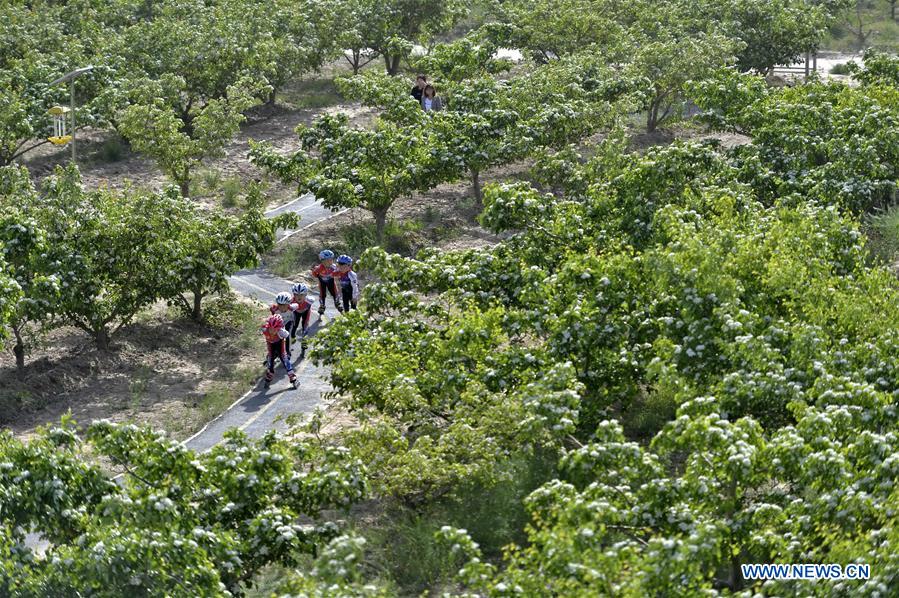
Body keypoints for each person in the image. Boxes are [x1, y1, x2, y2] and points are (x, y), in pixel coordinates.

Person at [261, 314, 298, 390]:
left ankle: (292, 375)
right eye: (270, 329)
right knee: (270, 358)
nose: (272, 331)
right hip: (270, 344)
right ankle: (270, 373)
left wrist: (286, 350)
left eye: (274, 329)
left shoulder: (282, 332)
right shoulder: (264, 329)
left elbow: (287, 338)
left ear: (278, 328)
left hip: (280, 343)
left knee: (283, 358)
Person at [311, 249, 342, 315]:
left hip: (331, 282)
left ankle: (337, 303)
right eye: (327, 260)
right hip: (322, 283)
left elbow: (339, 273)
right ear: (322, 261)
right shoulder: (319, 268)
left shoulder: (334, 267)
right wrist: (316, 274)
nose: (330, 262)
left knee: (335, 293)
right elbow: (314, 274)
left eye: (331, 259)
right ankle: (322, 306)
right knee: (322, 294)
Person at [290, 283, 315, 360]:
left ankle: (304, 343)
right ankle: (292, 337)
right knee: (294, 327)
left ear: (306, 295)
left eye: (301, 295)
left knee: (305, 327)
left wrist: (306, 324)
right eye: (296, 295)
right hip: (296, 313)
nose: (299, 297)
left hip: (305, 313)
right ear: (293, 295)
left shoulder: (309, 301)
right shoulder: (291, 301)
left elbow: (308, 313)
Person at [269, 291, 299, 356]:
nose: (282, 307)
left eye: (284, 305)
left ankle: (288, 352)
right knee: (277, 336)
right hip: (279, 324)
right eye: (280, 305)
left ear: (288, 304)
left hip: (289, 322)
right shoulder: (274, 309)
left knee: (287, 335)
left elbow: (297, 305)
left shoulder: (292, 308)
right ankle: (276, 351)